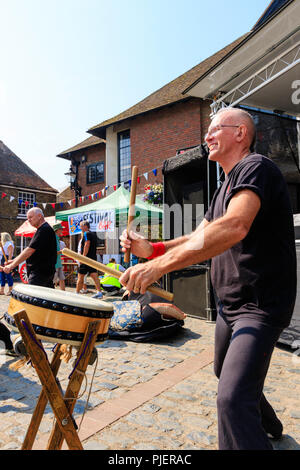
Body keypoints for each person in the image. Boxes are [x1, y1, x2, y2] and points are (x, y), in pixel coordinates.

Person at [119, 107, 297, 450]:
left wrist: (159, 268)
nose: (206, 136)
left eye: (215, 129)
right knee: (224, 372)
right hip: (229, 306)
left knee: (231, 399)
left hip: (259, 305)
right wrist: (151, 249)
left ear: (241, 133)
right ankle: (270, 425)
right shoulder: (223, 189)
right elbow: (196, 237)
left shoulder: (255, 168)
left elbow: (234, 226)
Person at [1, 207, 57, 287]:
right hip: (43, 272)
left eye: (31, 217)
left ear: (39, 216)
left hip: (40, 272)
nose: (29, 220)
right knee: (44, 297)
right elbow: (31, 250)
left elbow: (29, 250)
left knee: (34, 297)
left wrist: (12, 266)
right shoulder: (43, 229)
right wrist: (13, 261)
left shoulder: (44, 230)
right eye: (28, 218)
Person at [76, 220, 103, 298]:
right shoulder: (93, 234)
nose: (80, 227)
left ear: (85, 226)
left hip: (86, 259)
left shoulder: (86, 233)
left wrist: (83, 257)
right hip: (92, 258)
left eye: (81, 226)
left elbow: (87, 244)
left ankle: (77, 293)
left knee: (80, 276)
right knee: (94, 275)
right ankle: (99, 292)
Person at [53, 223, 65, 291]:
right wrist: (62, 251)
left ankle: (64, 294)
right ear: (57, 230)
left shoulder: (57, 238)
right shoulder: (53, 239)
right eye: (61, 229)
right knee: (53, 281)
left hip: (58, 262)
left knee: (62, 279)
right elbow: (53, 252)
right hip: (55, 263)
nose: (62, 230)